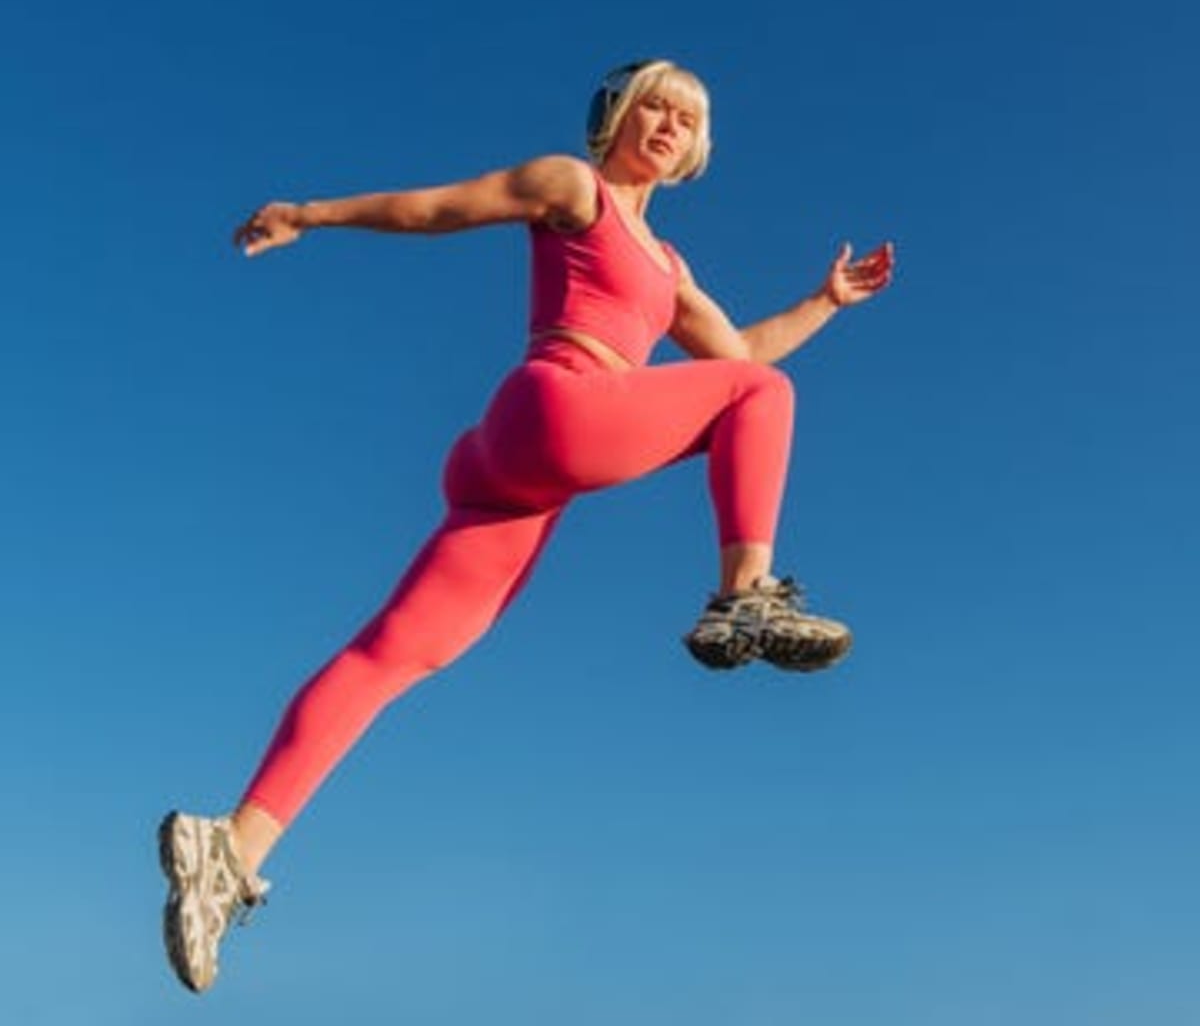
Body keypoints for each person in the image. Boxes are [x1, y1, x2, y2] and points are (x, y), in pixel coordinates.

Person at [158, 60, 895, 992]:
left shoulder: (668, 269)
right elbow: (439, 208)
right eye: (655, 108)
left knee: (394, 657)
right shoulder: (573, 186)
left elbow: (739, 352)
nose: (668, 125)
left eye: (686, 119)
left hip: (510, 474)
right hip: (557, 403)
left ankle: (230, 845)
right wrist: (308, 212)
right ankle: (744, 598)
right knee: (764, 397)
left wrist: (826, 302)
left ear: (696, 150)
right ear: (618, 118)